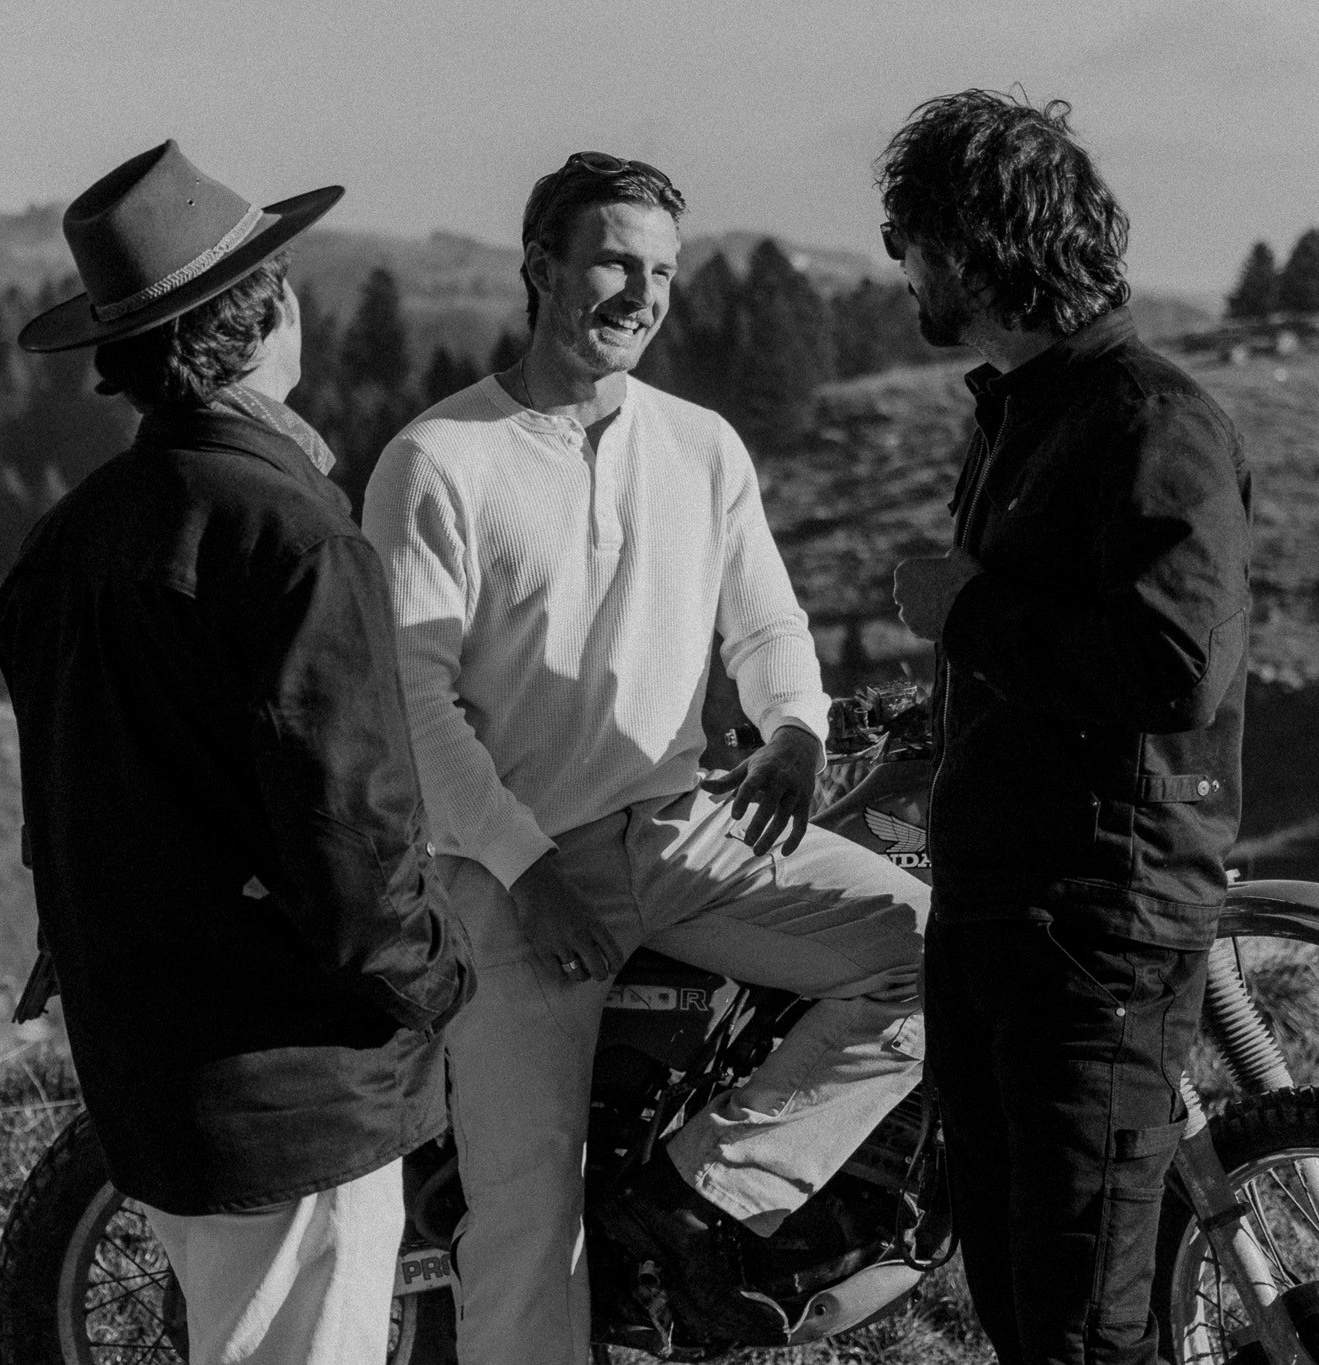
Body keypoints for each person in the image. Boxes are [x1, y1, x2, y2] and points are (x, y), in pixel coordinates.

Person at [360, 151, 930, 1364]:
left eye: (663, 269)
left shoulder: (700, 446)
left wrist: (793, 728)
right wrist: (526, 870)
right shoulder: (436, 461)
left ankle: (697, 1201)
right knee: (526, 1226)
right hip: (502, 874)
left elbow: (766, 623)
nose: (641, 292)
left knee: (932, 953)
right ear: (540, 269)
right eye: (615, 260)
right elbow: (415, 705)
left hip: (681, 831)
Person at [0, 141, 472, 1365]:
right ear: (270, 314)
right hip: (290, 1080)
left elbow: (61, 811)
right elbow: (350, 839)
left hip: (142, 1063)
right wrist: (440, 981)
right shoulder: (296, 539)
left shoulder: (67, 543)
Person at [884, 93, 1251, 1365]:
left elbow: (1173, 667)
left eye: (909, 239)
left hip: (1094, 925)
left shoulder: (1150, 420)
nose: (900, 270)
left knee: (1084, 1327)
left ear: (975, 251)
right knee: (1019, 1301)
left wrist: (967, 612)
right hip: (999, 907)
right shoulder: (1021, 410)